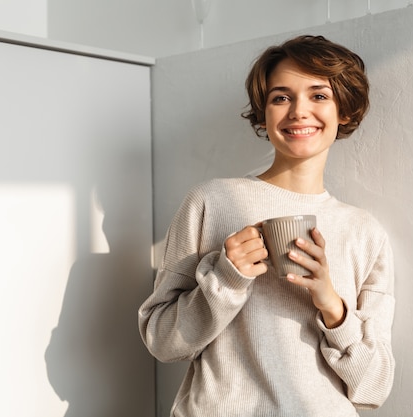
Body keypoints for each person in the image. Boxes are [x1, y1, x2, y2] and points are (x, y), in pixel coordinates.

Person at [138, 35, 395, 417]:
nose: (298, 111)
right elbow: (162, 341)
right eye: (281, 97)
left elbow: (373, 387)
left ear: (344, 110)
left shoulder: (364, 232)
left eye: (319, 96)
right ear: (263, 113)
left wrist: (331, 304)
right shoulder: (211, 202)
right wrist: (226, 277)